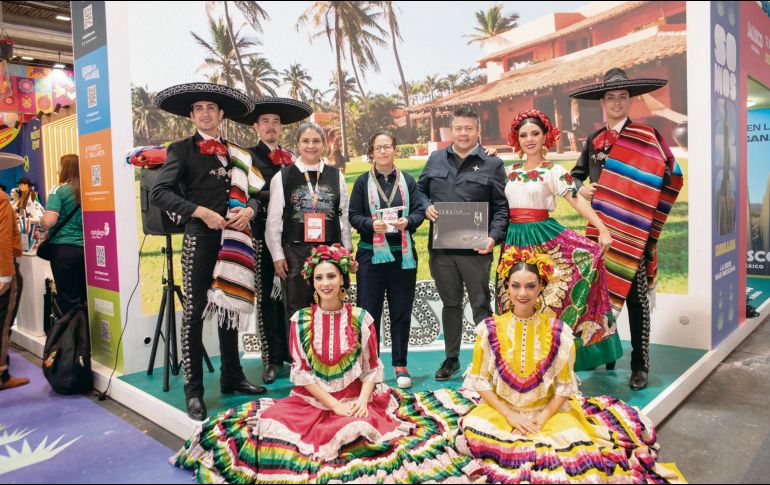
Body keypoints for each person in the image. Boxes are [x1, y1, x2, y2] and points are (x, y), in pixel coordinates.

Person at [172, 244, 481, 483]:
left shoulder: (361, 318)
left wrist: (361, 401)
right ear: (312, 282)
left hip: (359, 398)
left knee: (361, 429)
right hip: (314, 401)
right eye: (319, 277)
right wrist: (333, 406)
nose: (325, 283)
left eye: (331, 276)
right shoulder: (300, 320)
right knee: (265, 428)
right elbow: (302, 375)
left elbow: (372, 368)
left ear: (343, 279)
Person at [457, 247, 684, 483]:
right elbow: (480, 381)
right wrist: (511, 417)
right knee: (476, 428)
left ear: (542, 287)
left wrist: (540, 420)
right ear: (506, 287)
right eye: (515, 286)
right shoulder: (489, 329)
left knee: (567, 447)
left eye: (530, 286)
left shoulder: (558, 332)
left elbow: (564, 388)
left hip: (547, 411)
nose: (522, 293)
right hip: (503, 410)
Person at [151, 83, 267, 421]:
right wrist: (199, 212)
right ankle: (194, 391)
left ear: (220, 115)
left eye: (211, 108)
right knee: (195, 313)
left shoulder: (239, 154)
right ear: (192, 115)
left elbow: (259, 194)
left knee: (230, 304)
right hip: (200, 238)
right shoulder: (181, 149)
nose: (205, 113)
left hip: (236, 239)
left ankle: (232, 376)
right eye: (199, 108)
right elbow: (160, 192)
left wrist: (250, 211)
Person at [570, 68, 684, 390]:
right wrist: (583, 189)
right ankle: (607, 353)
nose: (617, 102)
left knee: (636, 301)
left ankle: (640, 364)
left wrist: (647, 211)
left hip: (636, 233)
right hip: (600, 232)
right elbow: (575, 177)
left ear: (630, 101)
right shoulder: (594, 141)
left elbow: (672, 176)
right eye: (611, 98)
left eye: (622, 97)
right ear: (602, 103)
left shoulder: (648, 137)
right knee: (600, 296)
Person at [501, 109, 622, 371]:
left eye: (535, 133)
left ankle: (574, 354)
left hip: (544, 238)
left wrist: (602, 228)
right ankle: (521, 360)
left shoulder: (554, 170)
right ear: (516, 139)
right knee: (514, 298)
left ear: (546, 136)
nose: (529, 139)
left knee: (551, 300)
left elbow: (576, 200)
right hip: (513, 241)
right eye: (523, 135)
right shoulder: (508, 171)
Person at [417, 106, 508, 381]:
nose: (464, 133)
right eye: (459, 128)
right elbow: (419, 190)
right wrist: (426, 207)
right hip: (442, 250)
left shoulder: (492, 164)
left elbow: (502, 208)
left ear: (477, 130)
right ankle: (451, 358)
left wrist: (493, 238)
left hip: (476, 249)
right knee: (450, 304)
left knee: (481, 304)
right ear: (451, 130)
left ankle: (488, 360)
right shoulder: (435, 159)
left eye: (469, 128)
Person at [235, 97, 313, 384]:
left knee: (293, 297)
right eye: (265, 121)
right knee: (266, 298)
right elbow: (247, 194)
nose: (271, 126)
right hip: (260, 236)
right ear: (256, 126)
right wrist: (278, 196)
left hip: (292, 238)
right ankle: (270, 358)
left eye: (276, 122)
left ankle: (296, 354)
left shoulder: (293, 158)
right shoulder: (246, 157)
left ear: (281, 128)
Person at [349, 131, 427, 389]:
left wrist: (409, 221)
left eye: (387, 147)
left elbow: (418, 210)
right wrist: (371, 224)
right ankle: (371, 366)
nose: (383, 152)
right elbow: (354, 216)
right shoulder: (362, 182)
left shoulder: (407, 180)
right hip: (371, 254)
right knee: (369, 313)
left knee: (401, 311)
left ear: (395, 149)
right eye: (378, 147)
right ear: (371, 152)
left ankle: (400, 364)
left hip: (402, 256)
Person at [265, 122, 353, 336]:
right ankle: (301, 362)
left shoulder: (336, 175)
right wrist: (277, 256)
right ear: (297, 144)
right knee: (297, 308)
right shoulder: (283, 177)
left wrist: (347, 250)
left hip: (330, 250)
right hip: (296, 251)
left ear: (324, 144)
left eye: (316, 141)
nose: (311, 146)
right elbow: (274, 221)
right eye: (305, 141)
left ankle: (331, 356)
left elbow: (345, 214)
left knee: (332, 304)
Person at [41, 155, 86, 316]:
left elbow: (50, 221)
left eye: (59, 166)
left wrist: (41, 220)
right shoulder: (88, 189)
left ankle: (70, 339)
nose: (57, 170)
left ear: (65, 168)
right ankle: (86, 338)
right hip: (87, 251)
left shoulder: (58, 190)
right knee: (85, 298)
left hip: (64, 251)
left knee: (68, 302)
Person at [0, 190, 28, 391]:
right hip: (3, 268)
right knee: (2, 323)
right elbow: (2, 237)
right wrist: (5, 274)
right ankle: (1, 375)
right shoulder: (1, 199)